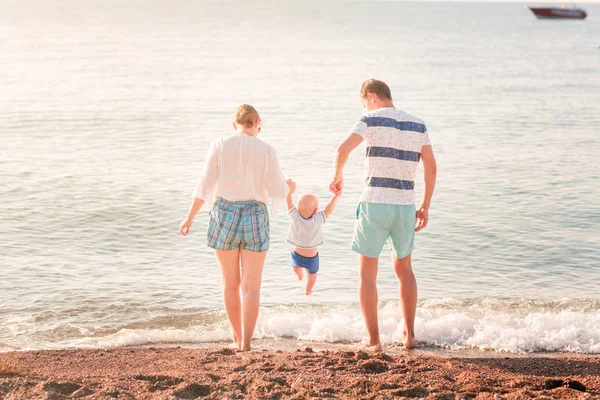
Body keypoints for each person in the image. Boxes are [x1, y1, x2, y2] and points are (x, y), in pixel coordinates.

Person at [330, 79, 437, 351]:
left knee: (367, 275)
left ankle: (374, 340)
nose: (365, 105)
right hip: (404, 206)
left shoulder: (369, 118)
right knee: (405, 270)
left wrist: (337, 176)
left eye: (364, 101)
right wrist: (425, 205)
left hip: (375, 202)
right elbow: (431, 168)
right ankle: (409, 336)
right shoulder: (418, 124)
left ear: (371, 96)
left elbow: (342, 150)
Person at [179, 104, 288, 351]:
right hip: (255, 215)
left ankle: (237, 338)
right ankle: (246, 344)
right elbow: (276, 190)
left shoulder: (219, 145)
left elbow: (204, 185)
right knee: (252, 286)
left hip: (224, 214)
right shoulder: (268, 150)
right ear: (257, 122)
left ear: (234, 124)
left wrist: (189, 218)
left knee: (230, 283)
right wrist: (288, 187)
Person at [285, 179, 339, 295]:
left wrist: (289, 193)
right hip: (312, 259)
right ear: (316, 210)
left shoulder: (295, 217)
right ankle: (308, 290)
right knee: (312, 277)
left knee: (295, 267)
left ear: (298, 209)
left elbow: (289, 203)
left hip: (297, 256)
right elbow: (328, 210)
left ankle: (299, 275)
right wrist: (334, 197)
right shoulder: (317, 219)